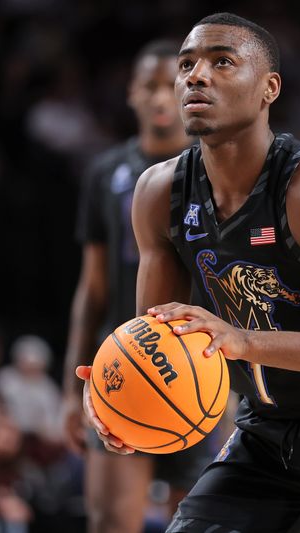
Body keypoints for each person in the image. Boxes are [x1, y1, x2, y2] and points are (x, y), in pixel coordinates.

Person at [75, 12, 300, 533]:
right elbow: (159, 343)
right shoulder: (158, 194)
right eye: (187, 64)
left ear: (269, 88)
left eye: (222, 62)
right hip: (266, 433)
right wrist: (123, 397)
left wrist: (243, 342)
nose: (196, 75)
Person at [61, 39, 212, 533]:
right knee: (110, 523)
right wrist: (69, 386)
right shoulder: (106, 174)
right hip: (121, 362)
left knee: (206, 522)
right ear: (131, 93)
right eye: (148, 85)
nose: (159, 97)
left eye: (169, 84)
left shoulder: (216, 169)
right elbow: (92, 287)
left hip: (201, 367)